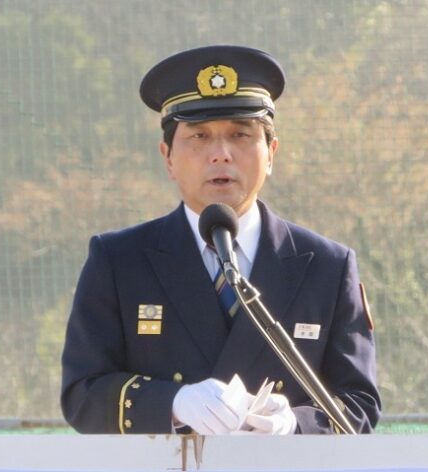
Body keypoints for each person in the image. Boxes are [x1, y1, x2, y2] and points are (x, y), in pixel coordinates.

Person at [60, 45, 381, 434]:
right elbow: (82, 394)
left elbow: (359, 405)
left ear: (271, 153)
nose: (221, 154)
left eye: (240, 134)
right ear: (167, 157)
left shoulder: (326, 265)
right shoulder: (119, 260)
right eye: (199, 136)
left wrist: (294, 425)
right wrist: (174, 403)